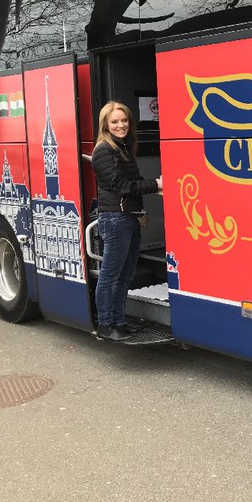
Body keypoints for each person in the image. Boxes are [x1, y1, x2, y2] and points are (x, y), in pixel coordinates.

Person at [91, 101, 162, 342]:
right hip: (116, 219)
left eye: (124, 120)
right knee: (111, 276)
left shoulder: (121, 148)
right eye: (115, 121)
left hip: (129, 217)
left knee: (125, 275)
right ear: (105, 125)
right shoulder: (104, 150)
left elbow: (133, 182)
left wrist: (154, 187)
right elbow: (124, 187)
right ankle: (105, 325)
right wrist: (156, 184)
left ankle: (119, 322)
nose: (121, 125)